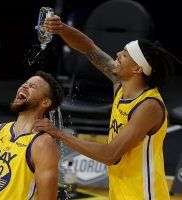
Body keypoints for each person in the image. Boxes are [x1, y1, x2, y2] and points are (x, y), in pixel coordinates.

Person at [33, 16, 181, 200]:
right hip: (120, 190)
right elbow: (88, 48)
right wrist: (61, 29)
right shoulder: (120, 84)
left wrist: (58, 133)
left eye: (125, 54)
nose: (118, 54)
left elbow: (110, 154)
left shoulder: (149, 106)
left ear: (137, 69)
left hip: (143, 194)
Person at [0, 71, 64, 200]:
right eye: (25, 84)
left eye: (32, 86)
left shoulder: (43, 143)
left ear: (45, 103)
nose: (24, 87)